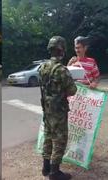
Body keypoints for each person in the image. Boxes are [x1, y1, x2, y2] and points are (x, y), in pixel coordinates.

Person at [39, 36, 77, 180]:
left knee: (48, 137)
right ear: (62, 50)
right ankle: (54, 173)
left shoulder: (42, 67)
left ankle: (46, 167)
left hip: (47, 109)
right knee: (60, 140)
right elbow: (72, 90)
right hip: (59, 111)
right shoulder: (61, 70)